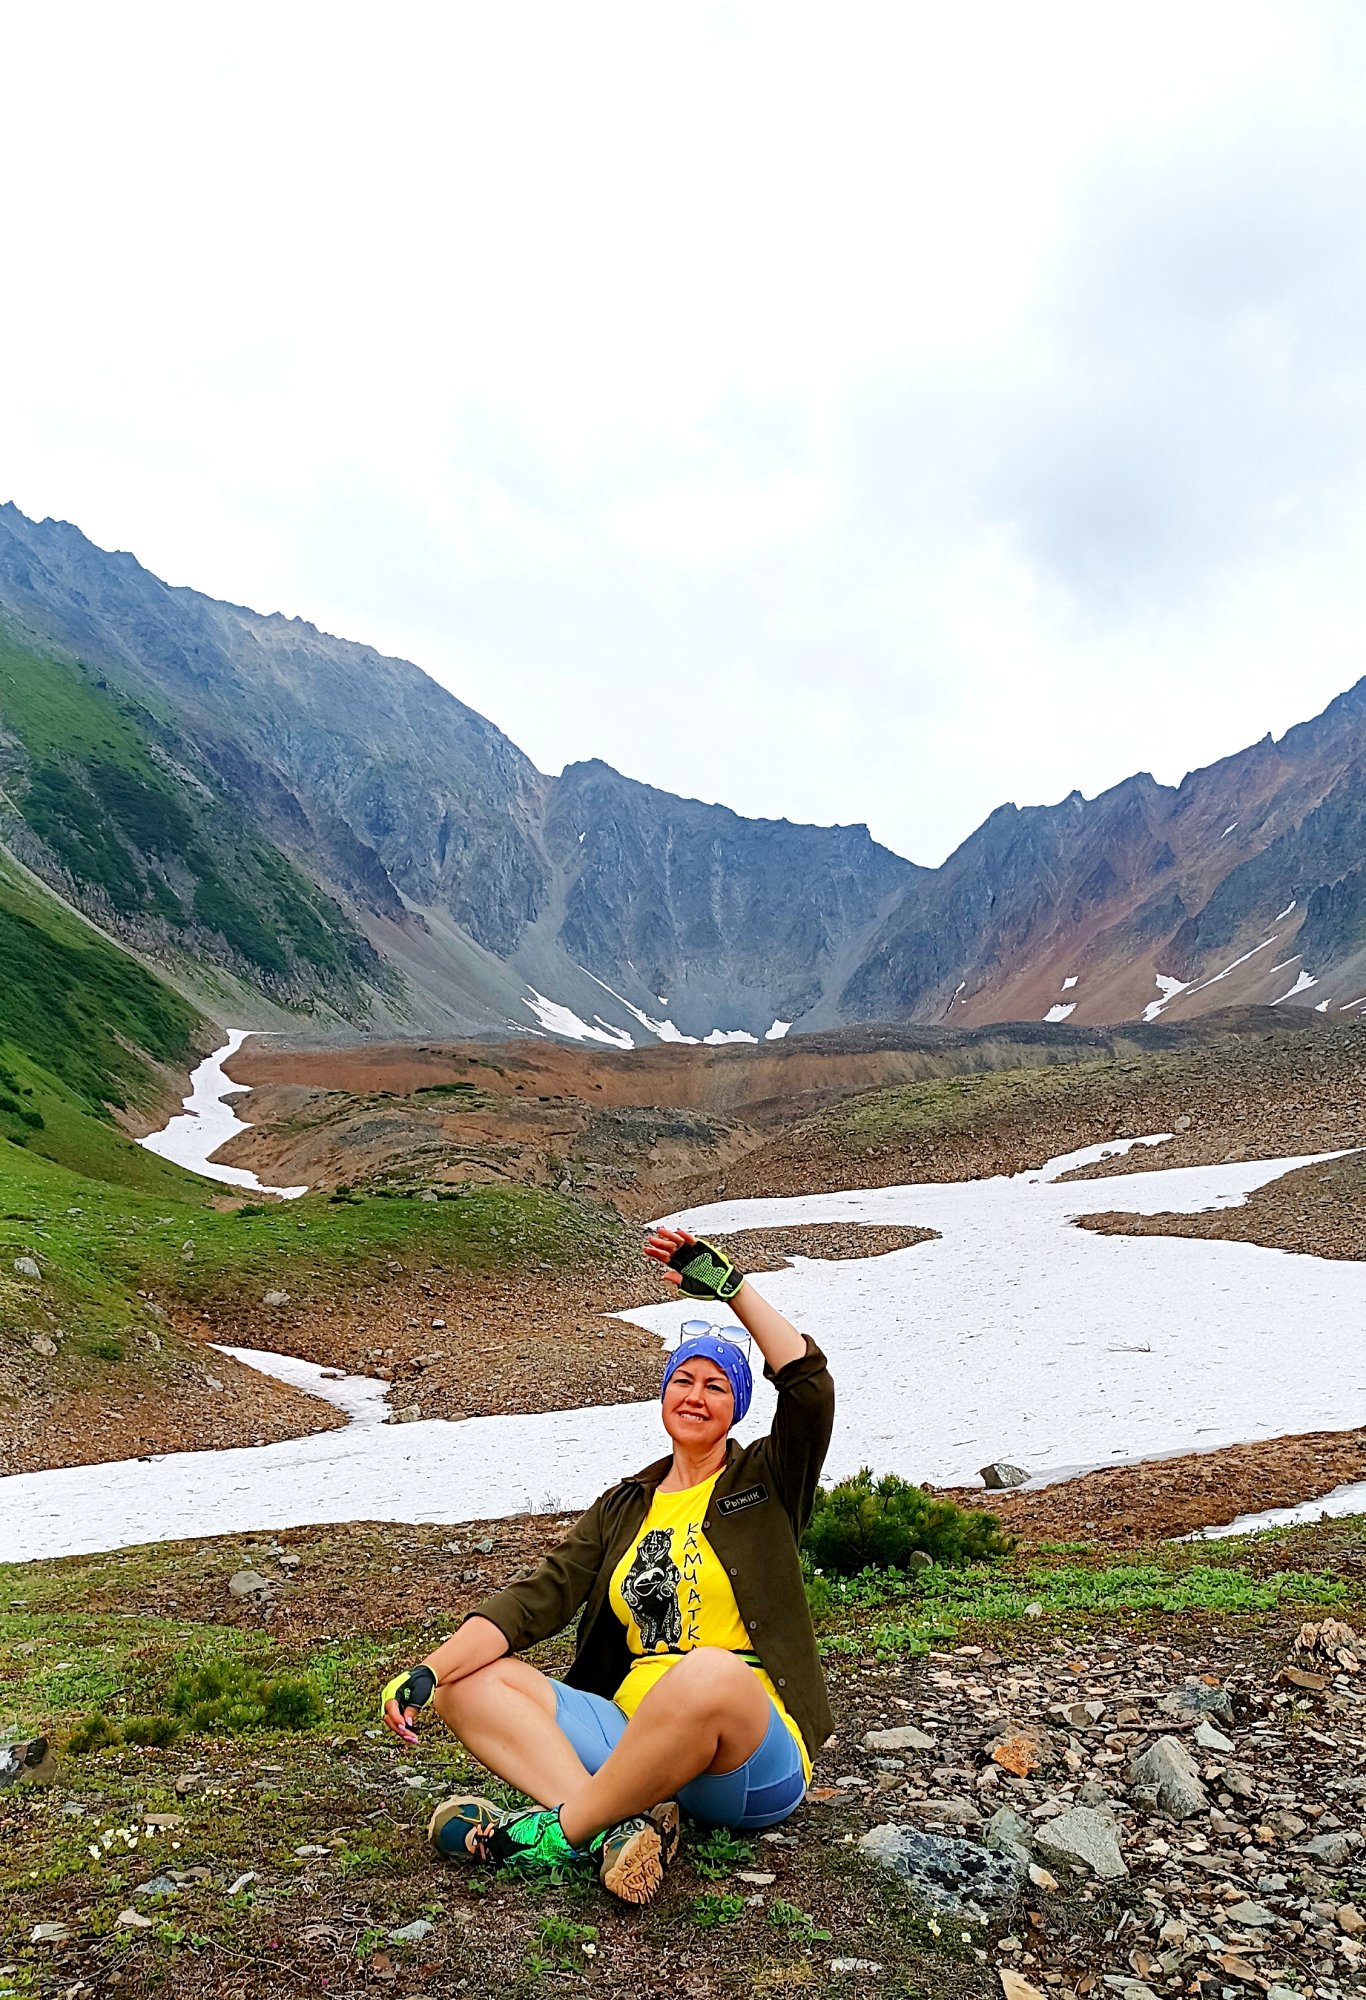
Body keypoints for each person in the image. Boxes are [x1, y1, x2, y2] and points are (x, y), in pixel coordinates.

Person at [380, 1227, 836, 1905]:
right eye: (683, 1380)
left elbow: (809, 1390)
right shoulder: (625, 1505)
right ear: (663, 1395)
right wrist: (428, 1670)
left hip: (743, 1753)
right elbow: (537, 1597)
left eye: (716, 1386)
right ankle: (618, 1828)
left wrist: (733, 1291)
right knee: (464, 1684)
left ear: (737, 1407)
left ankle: (550, 1834)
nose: (695, 1395)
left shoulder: (767, 1481)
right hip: (631, 1742)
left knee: (707, 1670)